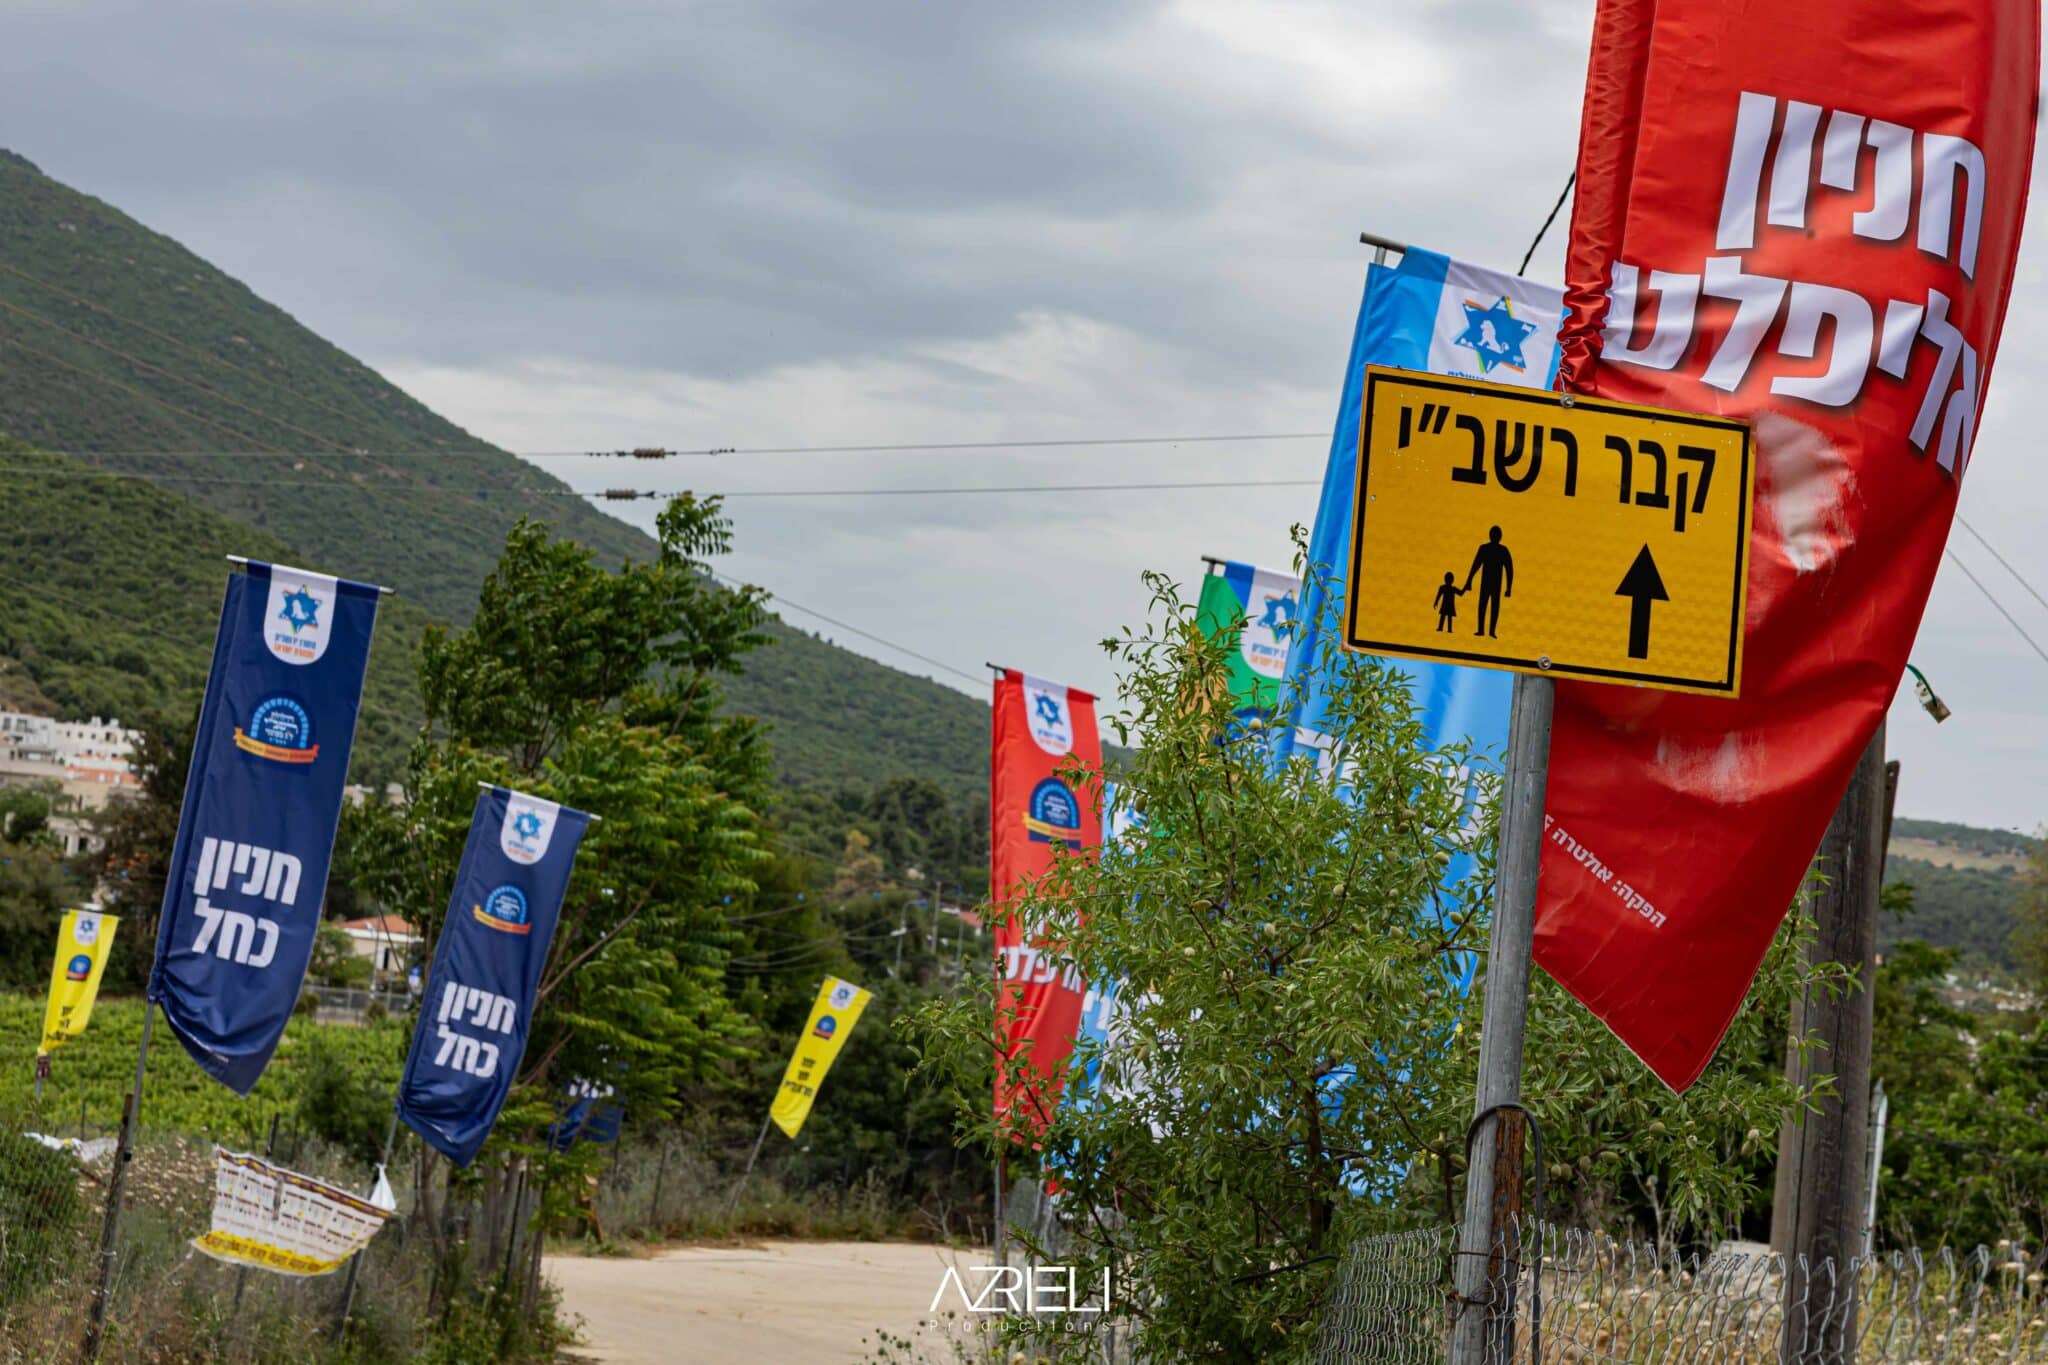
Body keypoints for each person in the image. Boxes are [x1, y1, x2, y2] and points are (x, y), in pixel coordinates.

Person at [1465, 526, 1513, 638]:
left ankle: (1491, 631)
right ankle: (1481, 629)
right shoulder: (1484, 548)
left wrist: (1508, 588)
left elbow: (1509, 569)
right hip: (1486, 582)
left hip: (1496, 583)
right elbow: (1475, 565)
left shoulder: (1503, 550)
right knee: (1483, 605)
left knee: (1494, 606)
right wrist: (1469, 580)